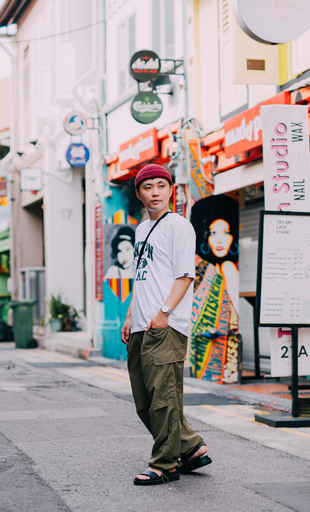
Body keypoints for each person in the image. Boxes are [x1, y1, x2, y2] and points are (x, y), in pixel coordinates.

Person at [121, 163, 211, 486]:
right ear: (139, 194)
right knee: (144, 400)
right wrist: (132, 314)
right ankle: (191, 447)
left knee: (163, 397)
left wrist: (165, 312)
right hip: (141, 325)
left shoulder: (179, 226)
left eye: (161, 185)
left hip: (165, 325)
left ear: (171, 190)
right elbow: (141, 277)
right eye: (148, 187)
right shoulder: (141, 230)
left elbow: (185, 275)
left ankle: (165, 464)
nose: (155, 192)